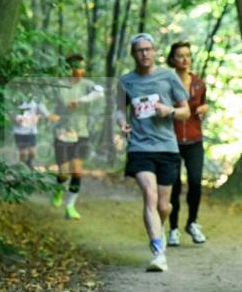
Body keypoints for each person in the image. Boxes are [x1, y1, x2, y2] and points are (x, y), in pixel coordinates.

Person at [118, 33, 190, 272]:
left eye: (148, 49)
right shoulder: (126, 81)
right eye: (139, 50)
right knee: (149, 195)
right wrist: (121, 123)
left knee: (163, 206)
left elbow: (186, 112)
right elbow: (118, 110)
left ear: (154, 51)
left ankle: (159, 228)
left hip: (167, 148)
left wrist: (168, 111)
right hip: (140, 148)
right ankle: (159, 252)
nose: (144, 54)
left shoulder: (168, 77)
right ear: (133, 54)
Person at [50, 54, 104, 220]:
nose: (80, 71)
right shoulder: (59, 85)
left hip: (81, 133)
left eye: (82, 67)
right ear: (69, 68)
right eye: (76, 67)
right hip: (63, 132)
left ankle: (70, 206)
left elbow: (100, 92)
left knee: (77, 171)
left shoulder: (88, 85)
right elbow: (49, 104)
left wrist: (80, 100)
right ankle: (59, 189)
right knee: (64, 172)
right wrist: (51, 115)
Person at [166, 41, 209, 246]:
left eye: (188, 55)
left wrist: (204, 109)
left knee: (195, 182)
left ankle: (192, 222)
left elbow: (202, 106)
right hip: (171, 140)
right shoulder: (165, 82)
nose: (185, 59)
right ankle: (173, 229)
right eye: (180, 55)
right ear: (172, 59)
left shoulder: (199, 83)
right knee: (173, 186)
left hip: (194, 140)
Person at [12, 97, 49, 168]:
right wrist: (16, 120)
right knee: (22, 153)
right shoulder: (15, 100)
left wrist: (37, 117)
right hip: (19, 131)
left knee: (32, 152)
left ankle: (29, 164)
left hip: (31, 131)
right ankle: (22, 168)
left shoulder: (35, 101)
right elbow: (11, 113)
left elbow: (43, 114)